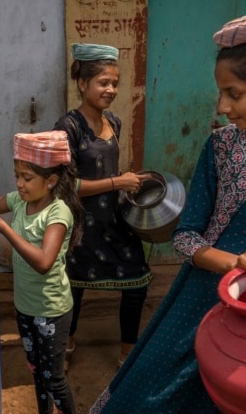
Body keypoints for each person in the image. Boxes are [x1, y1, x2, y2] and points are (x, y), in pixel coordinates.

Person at [89, 7, 246, 414]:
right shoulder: (223, 149)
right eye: (221, 93)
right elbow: (186, 237)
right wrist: (237, 263)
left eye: (233, 93)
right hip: (202, 305)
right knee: (152, 398)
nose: (222, 106)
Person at [0, 130, 83, 414]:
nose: (19, 184)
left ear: (51, 181)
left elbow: (44, 262)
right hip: (26, 307)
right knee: (36, 371)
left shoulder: (57, 213)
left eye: (27, 178)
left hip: (51, 310)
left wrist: (3, 228)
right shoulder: (19, 202)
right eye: (17, 175)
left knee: (53, 379)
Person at [53, 43, 153, 372]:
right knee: (76, 287)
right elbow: (66, 186)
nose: (110, 90)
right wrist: (116, 183)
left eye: (114, 83)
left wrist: (130, 182)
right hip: (82, 223)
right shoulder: (67, 127)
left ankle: (128, 351)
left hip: (116, 218)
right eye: (102, 83)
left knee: (138, 279)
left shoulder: (114, 121)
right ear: (82, 83)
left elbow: (112, 172)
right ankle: (67, 341)